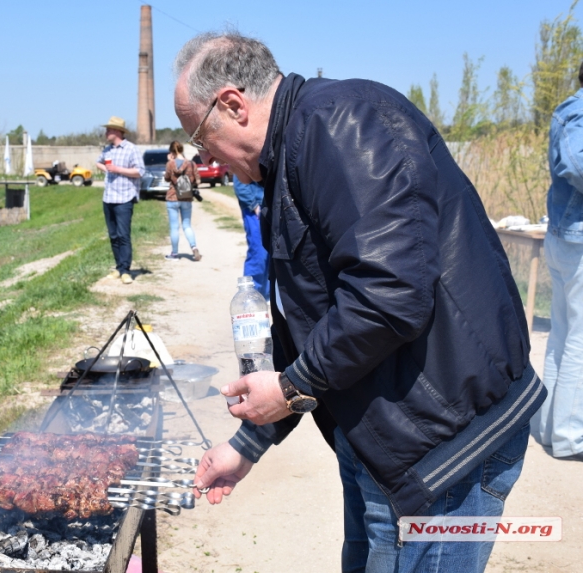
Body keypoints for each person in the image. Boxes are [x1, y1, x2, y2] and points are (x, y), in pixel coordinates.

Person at [173, 32, 546, 571]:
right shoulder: (291, 153)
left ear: (232, 104)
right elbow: (310, 318)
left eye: (202, 140)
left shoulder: (340, 123)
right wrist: (249, 443)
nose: (206, 157)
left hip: (443, 452)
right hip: (386, 439)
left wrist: (292, 387)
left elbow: (390, 294)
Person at [531, 61, 583, 460]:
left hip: (567, 236)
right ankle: (570, 438)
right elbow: (577, 165)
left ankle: (550, 427)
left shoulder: (568, 109)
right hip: (576, 238)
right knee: (576, 339)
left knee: (565, 334)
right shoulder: (578, 111)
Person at [95, 116, 145, 285]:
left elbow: (140, 171)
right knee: (113, 235)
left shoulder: (131, 149)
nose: (106, 132)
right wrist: (107, 169)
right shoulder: (107, 150)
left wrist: (117, 169)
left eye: (109, 129)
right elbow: (98, 163)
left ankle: (125, 270)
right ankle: (118, 267)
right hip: (109, 197)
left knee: (123, 235)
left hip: (125, 197)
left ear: (117, 131)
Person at [163, 140, 202, 261]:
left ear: (171, 152)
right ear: (182, 150)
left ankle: (174, 254)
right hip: (187, 198)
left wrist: (170, 161)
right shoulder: (191, 163)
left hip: (172, 197)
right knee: (187, 225)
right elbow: (198, 180)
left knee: (174, 227)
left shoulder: (170, 164)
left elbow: (166, 178)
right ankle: (194, 247)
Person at [232, 176, 269, 299]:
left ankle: (267, 294)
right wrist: (254, 205)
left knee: (271, 252)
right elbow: (240, 184)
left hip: (270, 205)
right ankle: (250, 294)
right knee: (258, 252)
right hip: (255, 208)